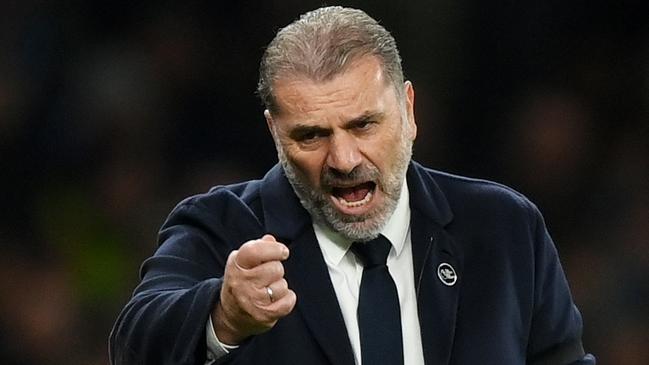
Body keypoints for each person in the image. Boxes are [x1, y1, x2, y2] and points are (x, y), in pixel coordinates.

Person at [109, 6, 595, 365]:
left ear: (408, 111)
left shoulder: (503, 228)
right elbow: (134, 343)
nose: (342, 159)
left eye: (363, 125)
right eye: (311, 135)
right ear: (275, 134)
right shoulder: (223, 228)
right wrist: (223, 317)